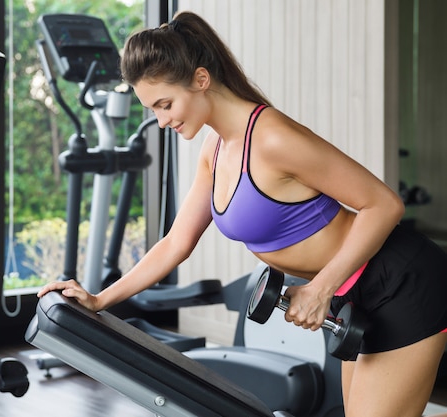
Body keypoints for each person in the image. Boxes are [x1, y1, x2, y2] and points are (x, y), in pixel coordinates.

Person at [38, 10, 447, 417]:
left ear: (201, 80)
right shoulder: (214, 150)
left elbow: (383, 204)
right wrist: (99, 300)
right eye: (153, 111)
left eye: (165, 105)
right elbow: (175, 243)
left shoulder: (272, 139)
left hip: (402, 280)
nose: (161, 121)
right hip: (354, 293)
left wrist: (320, 288)